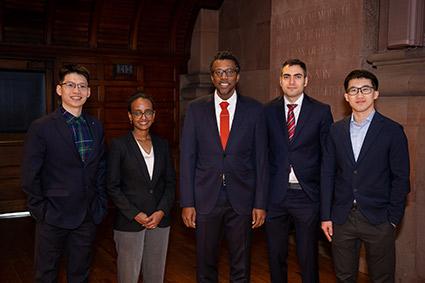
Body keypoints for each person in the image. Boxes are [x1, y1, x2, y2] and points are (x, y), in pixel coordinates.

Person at [180, 50, 268, 282]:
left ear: (237, 76)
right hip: (206, 198)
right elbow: (187, 157)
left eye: (229, 72)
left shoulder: (256, 110)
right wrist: (187, 202)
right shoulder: (196, 109)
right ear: (212, 77)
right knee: (205, 263)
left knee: (241, 265)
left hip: (242, 199)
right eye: (218, 72)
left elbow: (261, 160)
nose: (224, 77)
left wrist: (260, 203)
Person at [321, 69, 410, 283]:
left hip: (379, 219)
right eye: (353, 90)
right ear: (346, 96)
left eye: (365, 89)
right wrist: (326, 215)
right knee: (344, 277)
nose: (359, 95)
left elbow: (401, 178)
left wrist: (392, 219)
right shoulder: (335, 131)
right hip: (342, 218)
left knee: (382, 278)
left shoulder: (392, 130)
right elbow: (327, 174)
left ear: (376, 94)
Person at [21, 64, 108, 282]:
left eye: (82, 86)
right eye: (70, 85)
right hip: (53, 216)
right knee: (46, 275)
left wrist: (99, 205)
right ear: (60, 90)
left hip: (87, 216)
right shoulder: (41, 127)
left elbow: (100, 169)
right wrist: (40, 210)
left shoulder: (96, 126)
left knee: (80, 274)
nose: (76, 91)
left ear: (89, 92)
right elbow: (30, 174)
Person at [264, 59, 333, 283]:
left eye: (297, 76)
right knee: (276, 256)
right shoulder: (267, 111)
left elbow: (327, 159)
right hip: (275, 196)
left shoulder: (321, 111)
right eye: (287, 76)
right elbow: (262, 155)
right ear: (280, 81)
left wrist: (325, 203)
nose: (291, 81)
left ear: (306, 80)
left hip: (307, 196)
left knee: (308, 257)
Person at [107, 92, 175, 283]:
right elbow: (112, 186)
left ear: (154, 115)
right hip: (129, 222)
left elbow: (170, 183)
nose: (143, 117)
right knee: (128, 276)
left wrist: (161, 211)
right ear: (129, 116)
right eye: (137, 113)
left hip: (159, 221)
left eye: (147, 112)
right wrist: (135, 214)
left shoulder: (162, 145)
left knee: (155, 276)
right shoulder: (119, 145)